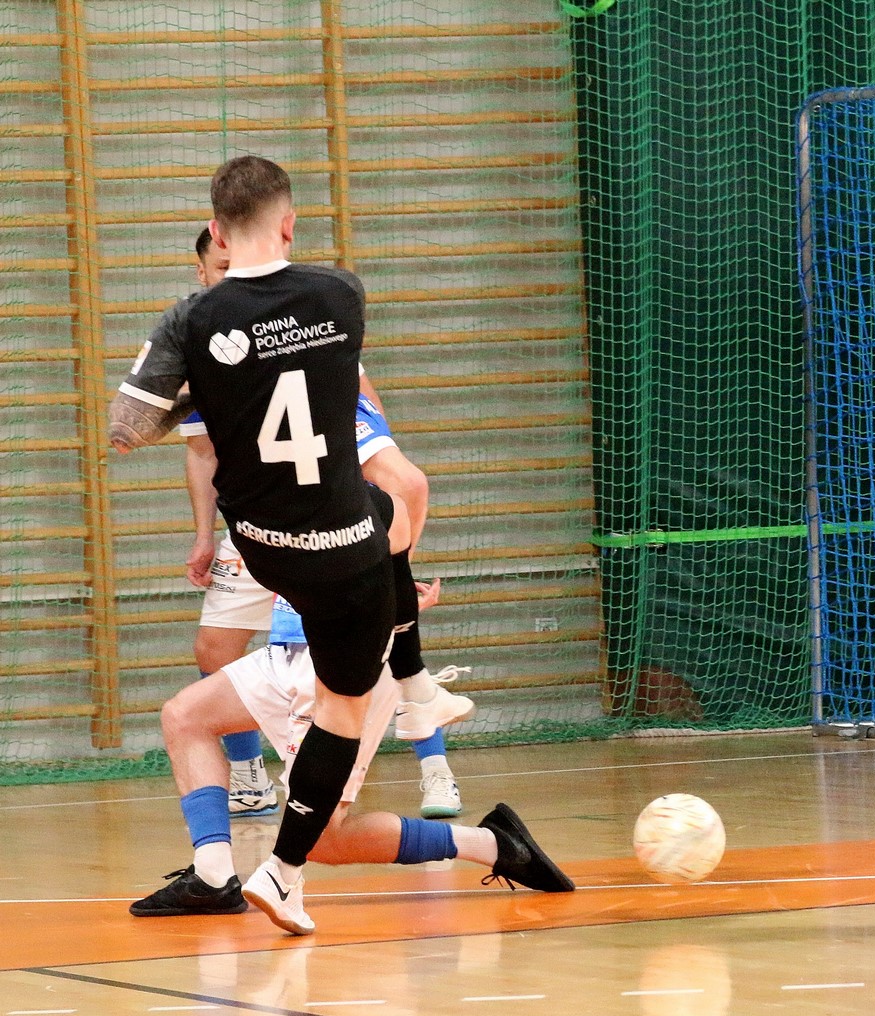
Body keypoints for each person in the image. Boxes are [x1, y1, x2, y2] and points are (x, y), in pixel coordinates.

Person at [110, 154, 403, 935]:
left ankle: (228, 866)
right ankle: (283, 871)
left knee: (373, 520)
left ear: (216, 232)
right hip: (343, 547)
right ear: (290, 224)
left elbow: (127, 430)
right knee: (345, 701)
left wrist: (204, 386)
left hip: (264, 546)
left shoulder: (191, 319)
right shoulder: (341, 293)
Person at [179, 227, 472, 821]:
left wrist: (392, 562)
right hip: (258, 522)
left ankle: (435, 770)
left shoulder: (305, 330)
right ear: (203, 273)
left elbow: (391, 455)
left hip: (321, 522)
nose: (231, 274)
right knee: (214, 647)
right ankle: (250, 779)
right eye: (219, 268)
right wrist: (205, 534)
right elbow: (202, 452)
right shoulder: (200, 341)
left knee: (372, 639)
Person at [128, 572, 573, 922]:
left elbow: (400, 514)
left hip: (346, 661)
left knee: (322, 841)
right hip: (287, 647)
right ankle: (212, 877)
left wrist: (396, 606)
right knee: (185, 717)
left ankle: (491, 844)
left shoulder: (366, 489)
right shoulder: (271, 496)